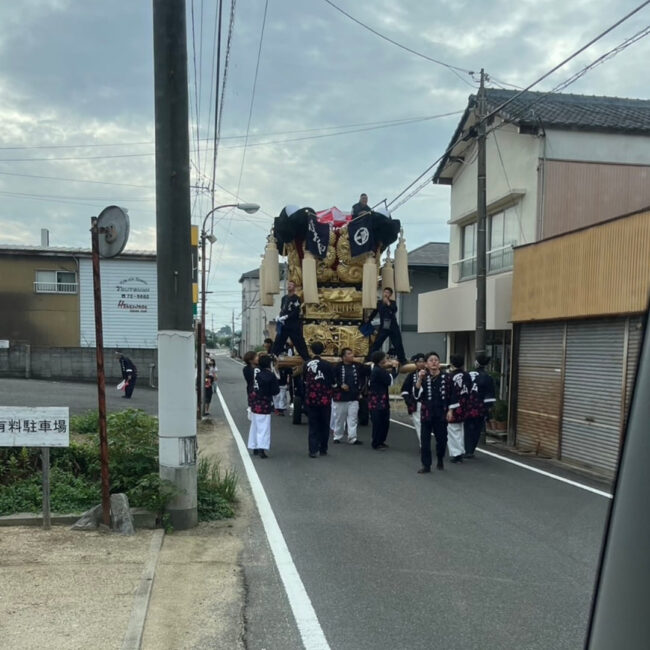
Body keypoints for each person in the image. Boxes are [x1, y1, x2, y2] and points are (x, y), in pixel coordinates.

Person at [414, 351, 452, 473]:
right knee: (425, 441)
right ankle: (426, 465)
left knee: (442, 440)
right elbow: (416, 394)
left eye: (436, 359)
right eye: (431, 360)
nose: (434, 362)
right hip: (426, 413)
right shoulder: (423, 377)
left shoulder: (446, 377)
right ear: (426, 364)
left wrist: (450, 410)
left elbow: (453, 395)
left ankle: (440, 458)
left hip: (441, 413)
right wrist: (420, 378)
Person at [303, 342, 336, 458]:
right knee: (324, 424)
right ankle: (323, 448)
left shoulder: (306, 364)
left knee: (313, 425)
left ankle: (312, 449)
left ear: (311, 350)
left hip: (311, 399)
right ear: (323, 350)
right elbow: (333, 382)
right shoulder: (327, 365)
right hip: (325, 399)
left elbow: (305, 381)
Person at [464, 353, 497, 458]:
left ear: (476, 362)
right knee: (477, 429)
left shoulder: (467, 374)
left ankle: (466, 449)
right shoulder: (488, 377)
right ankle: (471, 450)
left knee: (467, 428)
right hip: (480, 407)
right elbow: (490, 395)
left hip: (467, 405)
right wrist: (489, 410)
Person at [247, 354, 279, 459]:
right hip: (265, 403)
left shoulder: (254, 372)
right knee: (264, 427)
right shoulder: (269, 375)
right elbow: (275, 391)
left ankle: (254, 446)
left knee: (255, 425)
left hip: (254, 401)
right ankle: (262, 449)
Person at [332, 347, 366, 445]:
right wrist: (340, 385)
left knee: (353, 418)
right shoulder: (337, 367)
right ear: (343, 357)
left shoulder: (358, 366)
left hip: (354, 396)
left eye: (352, 353)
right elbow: (332, 379)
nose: (352, 355)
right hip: (341, 397)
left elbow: (365, 375)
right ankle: (337, 436)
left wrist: (360, 391)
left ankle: (352, 438)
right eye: (349, 354)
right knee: (339, 418)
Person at [366, 288, 407, 365]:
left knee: (398, 343)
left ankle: (402, 360)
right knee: (377, 343)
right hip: (383, 326)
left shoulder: (392, 302)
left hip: (393, 326)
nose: (385, 294)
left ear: (390, 295)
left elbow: (394, 310)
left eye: (388, 292)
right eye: (385, 292)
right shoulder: (379, 303)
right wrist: (368, 320)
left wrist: (388, 303)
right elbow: (374, 313)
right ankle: (369, 358)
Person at [368, 350, 399, 450]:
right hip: (377, 401)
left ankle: (381, 441)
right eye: (385, 358)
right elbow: (390, 380)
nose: (387, 360)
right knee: (378, 423)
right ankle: (376, 443)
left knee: (384, 422)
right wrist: (395, 367)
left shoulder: (379, 369)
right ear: (381, 360)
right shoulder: (378, 370)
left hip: (381, 400)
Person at [272, 281, 310, 360]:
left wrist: (287, 317)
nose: (289, 286)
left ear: (294, 287)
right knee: (278, 341)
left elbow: (296, 311)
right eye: (288, 284)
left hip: (293, 325)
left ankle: (306, 358)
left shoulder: (296, 298)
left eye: (291, 285)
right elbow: (282, 309)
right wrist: (279, 316)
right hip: (284, 324)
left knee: (299, 342)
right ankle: (272, 356)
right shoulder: (284, 298)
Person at [446, 354, 470, 463]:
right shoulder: (467, 375)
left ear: (452, 363)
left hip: (453, 405)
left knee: (452, 430)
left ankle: (457, 454)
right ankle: (460, 451)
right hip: (464, 405)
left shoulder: (449, 376)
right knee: (460, 429)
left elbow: (448, 392)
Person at [401, 353, 426, 447]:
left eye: (423, 361)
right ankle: (423, 445)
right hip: (417, 403)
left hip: (430, 403)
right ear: (415, 363)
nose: (422, 363)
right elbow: (404, 390)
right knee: (419, 425)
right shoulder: (412, 375)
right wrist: (409, 401)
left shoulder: (431, 373)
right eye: (419, 361)